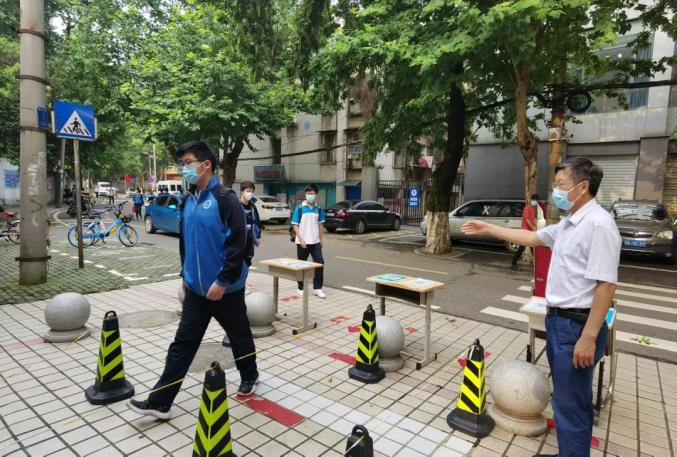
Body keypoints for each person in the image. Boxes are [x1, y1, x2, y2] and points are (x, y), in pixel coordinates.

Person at [460, 157, 620, 457]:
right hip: (560, 322)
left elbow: (606, 285)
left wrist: (588, 337)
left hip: (577, 326)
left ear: (582, 187)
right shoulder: (570, 223)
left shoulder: (598, 224)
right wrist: (487, 227)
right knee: (568, 400)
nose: (556, 191)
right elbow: (532, 237)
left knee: (571, 405)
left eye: (561, 185)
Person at [128, 140, 258, 420]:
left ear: (205, 164)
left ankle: (250, 375)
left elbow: (238, 244)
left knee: (239, 336)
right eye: (182, 164)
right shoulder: (188, 200)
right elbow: (185, 243)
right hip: (197, 292)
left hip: (226, 290)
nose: (183, 169)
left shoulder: (225, 199)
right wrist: (185, 276)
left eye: (187, 163)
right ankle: (160, 402)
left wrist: (222, 281)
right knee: (182, 345)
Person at [291, 184, 326, 298]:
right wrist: (301, 239)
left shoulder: (318, 209)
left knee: (319, 263)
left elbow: (320, 225)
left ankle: (317, 288)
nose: (311, 195)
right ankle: (300, 288)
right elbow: (295, 225)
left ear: (316, 194)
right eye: (308, 193)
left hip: (315, 241)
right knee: (301, 264)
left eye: (313, 193)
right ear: (305, 194)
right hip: (302, 242)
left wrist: (321, 239)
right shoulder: (299, 208)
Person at [511, 193, 539, 271]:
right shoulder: (527, 208)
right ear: (531, 200)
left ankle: (537, 265)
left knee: (532, 247)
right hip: (525, 231)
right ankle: (513, 263)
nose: (535, 202)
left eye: (536, 200)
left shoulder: (533, 209)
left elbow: (533, 219)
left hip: (529, 232)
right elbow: (526, 219)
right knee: (522, 247)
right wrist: (533, 227)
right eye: (534, 200)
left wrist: (537, 225)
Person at [239, 181, 262, 267]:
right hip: (238, 240)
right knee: (238, 263)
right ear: (242, 191)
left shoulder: (252, 206)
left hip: (250, 239)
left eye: (252, 191)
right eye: (248, 191)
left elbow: (257, 221)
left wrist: (258, 236)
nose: (250, 193)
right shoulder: (236, 205)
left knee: (247, 262)